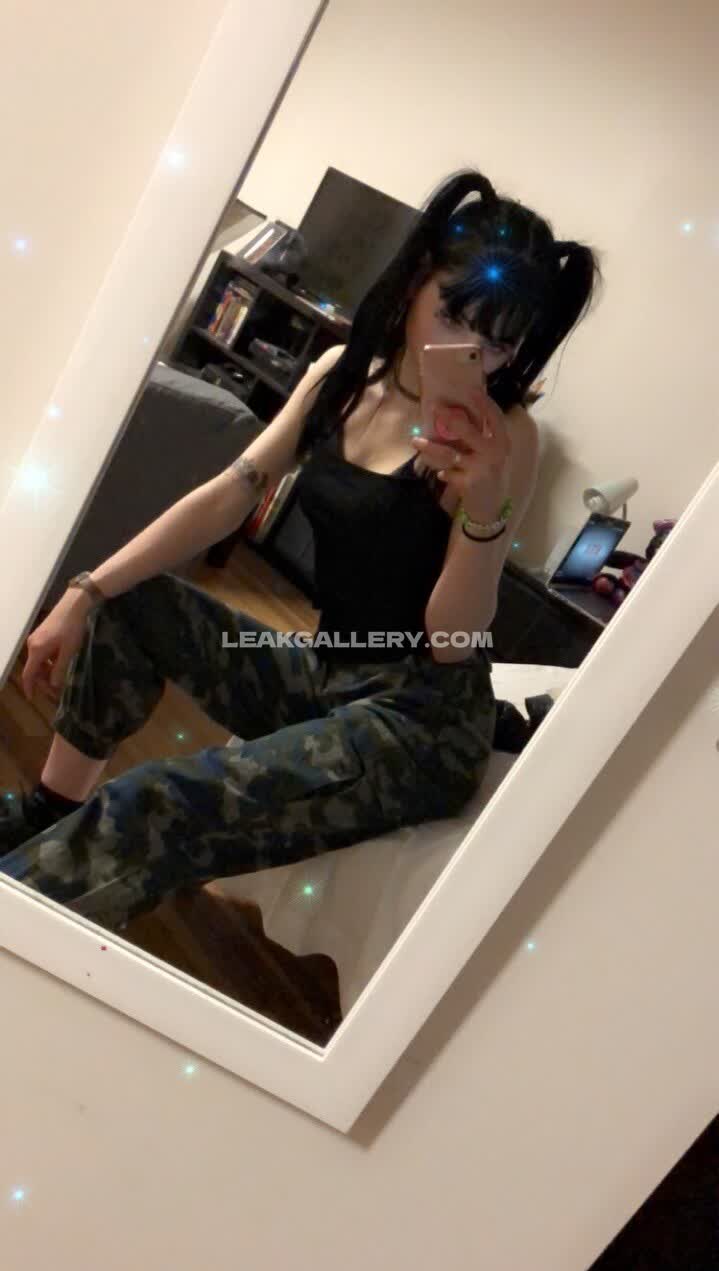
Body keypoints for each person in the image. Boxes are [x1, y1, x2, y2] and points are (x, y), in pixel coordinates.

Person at [0, 168, 601, 931]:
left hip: (419, 721)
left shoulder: (507, 438)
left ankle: (22, 925)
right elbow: (230, 493)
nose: (470, 352)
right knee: (132, 601)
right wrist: (84, 591)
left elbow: (453, 642)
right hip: (327, 669)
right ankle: (49, 813)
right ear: (415, 280)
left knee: (155, 798)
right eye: (455, 315)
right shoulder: (340, 379)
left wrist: (484, 511)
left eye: (499, 341)